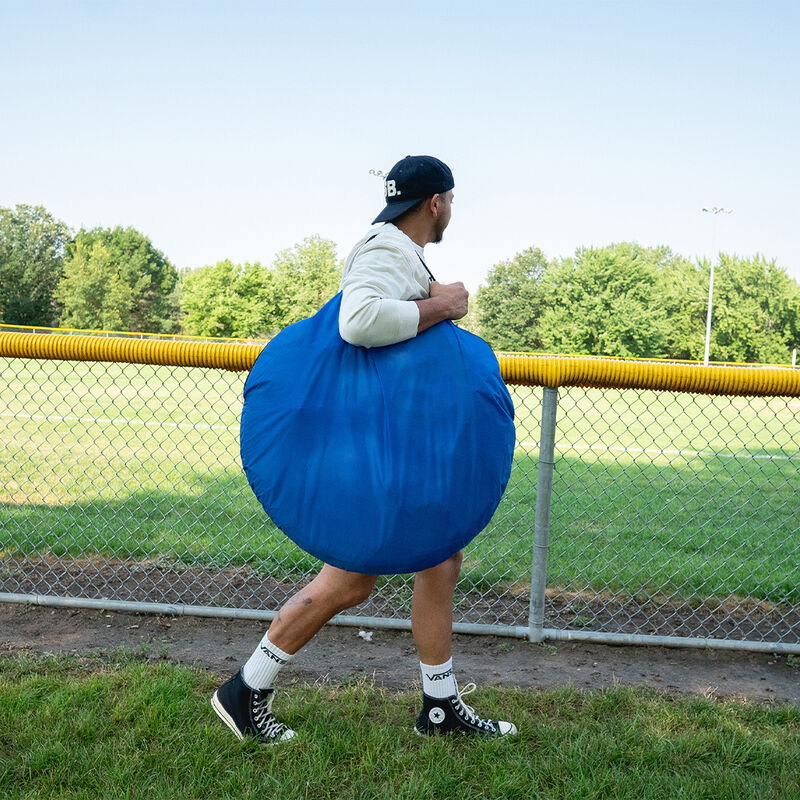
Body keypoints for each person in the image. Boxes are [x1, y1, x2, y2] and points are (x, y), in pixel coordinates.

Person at [211, 155, 517, 743]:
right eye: (450, 200)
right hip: (369, 451)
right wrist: (445, 305)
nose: (452, 209)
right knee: (350, 582)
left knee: (440, 558)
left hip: (387, 446)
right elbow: (358, 323)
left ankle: (440, 705)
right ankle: (244, 691)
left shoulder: (402, 251)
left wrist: (431, 296)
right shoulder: (384, 247)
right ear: (436, 202)